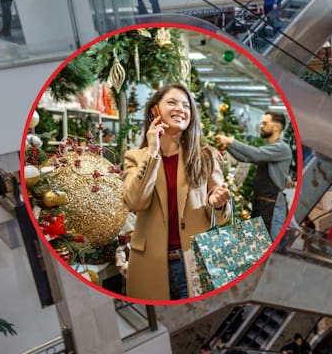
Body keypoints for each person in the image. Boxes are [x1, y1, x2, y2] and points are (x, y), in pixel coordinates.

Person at [122, 84, 231, 301]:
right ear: (155, 110)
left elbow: (223, 214)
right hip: (149, 264)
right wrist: (152, 151)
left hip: (195, 261)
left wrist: (217, 203)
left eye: (186, 105)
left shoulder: (205, 156)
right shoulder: (136, 157)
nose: (180, 109)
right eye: (172, 103)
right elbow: (135, 202)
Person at [216, 111, 292, 240]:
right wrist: (226, 146)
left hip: (273, 207)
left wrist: (231, 141)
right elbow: (246, 158)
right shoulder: (270, 149)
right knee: (260, 242)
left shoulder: (281, 148)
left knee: (270, 244)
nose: (261, 126)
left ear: (277, 127)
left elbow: (255, 153)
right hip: (262, 203)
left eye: (265, 123)